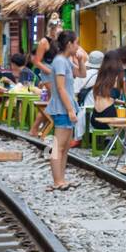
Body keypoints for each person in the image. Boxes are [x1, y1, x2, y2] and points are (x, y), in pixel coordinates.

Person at [46, 30, 81, 191]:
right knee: (58, 146)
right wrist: (70, 110)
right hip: (62, 108)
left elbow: (81, 73)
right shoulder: (60, 61)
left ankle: (61, 179)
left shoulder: (66, 61)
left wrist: (80, 60)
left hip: (67, 107)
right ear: (69, 44)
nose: (78, 46)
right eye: (76, 43)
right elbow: (60, 88)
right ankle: (57, 181)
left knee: (65, 146)